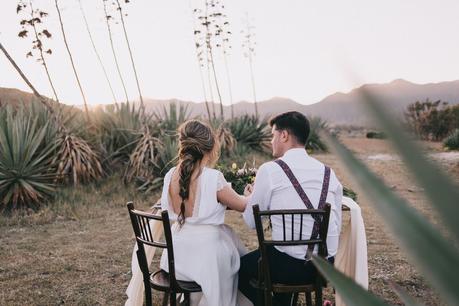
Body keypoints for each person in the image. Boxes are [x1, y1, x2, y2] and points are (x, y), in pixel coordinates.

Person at [239, 111, 343, 306]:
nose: (271, 141)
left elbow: (251, 222)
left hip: (288, 267)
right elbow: (336, 224)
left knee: (240, 268)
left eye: (272, 135)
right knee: (281, 254)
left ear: (284, 135)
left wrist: (250, 197)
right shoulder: (330, 173)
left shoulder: (270, 170)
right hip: (325, 266)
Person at [159, 119, 250, 306]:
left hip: (176, 256)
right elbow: (242, 205)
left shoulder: (169, 175)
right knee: (233, 254)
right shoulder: (212, 178)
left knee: (229, 242)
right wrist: (252, 193)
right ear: (210, 147)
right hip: (206, 258)